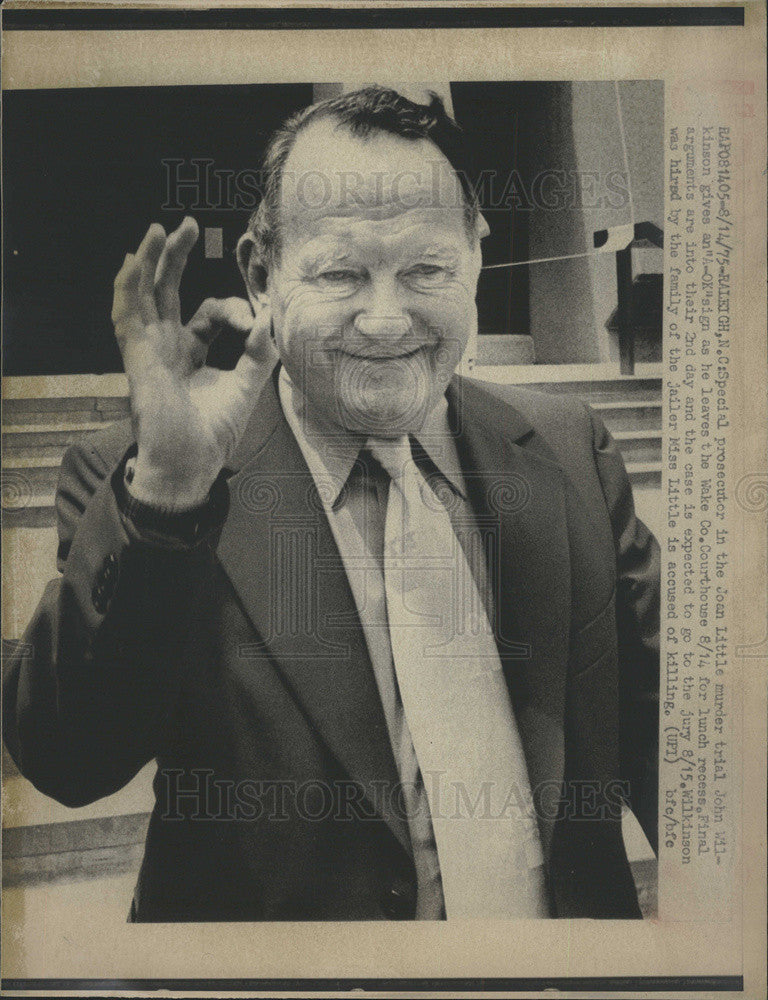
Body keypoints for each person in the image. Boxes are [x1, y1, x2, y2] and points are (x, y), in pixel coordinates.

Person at [3, 87, 659, 921]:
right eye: (342, 273)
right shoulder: (142, 480)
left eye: (427, 270)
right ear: (260, 273)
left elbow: (672, 742)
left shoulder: (570, 451)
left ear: (477, 256)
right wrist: (168, 501)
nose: (385, 321)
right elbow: (68, 759)